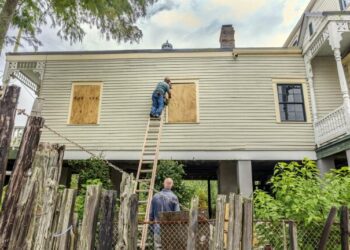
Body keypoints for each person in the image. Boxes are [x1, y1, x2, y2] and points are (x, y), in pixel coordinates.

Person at [149, 178, 180, 249]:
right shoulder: (174, 197)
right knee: (170, 247)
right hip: (170, 229)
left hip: (157, 228)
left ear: (163, 184)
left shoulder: (155, 196)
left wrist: (151, 228)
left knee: (158, 247)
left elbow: (151, 214)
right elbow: (177, 215)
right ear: (172, 185)